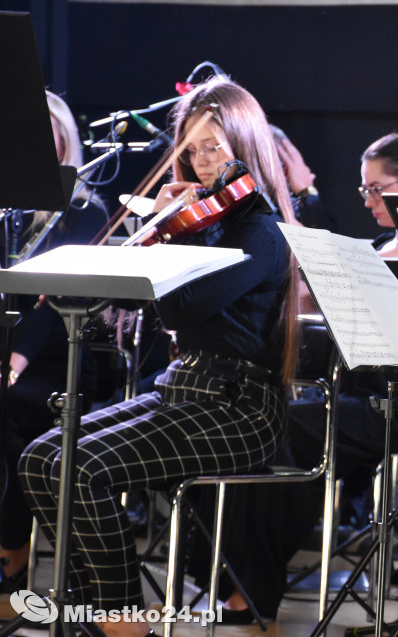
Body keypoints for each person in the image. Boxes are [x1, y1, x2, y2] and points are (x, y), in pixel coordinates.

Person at [19, 76, 299, 637]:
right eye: (191, 149)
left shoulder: (262, 232)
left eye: (213, 146)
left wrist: (169, 235)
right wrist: (160, 228)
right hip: (184, 387)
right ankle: (89, 608)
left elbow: (183, 308)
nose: (199, 162)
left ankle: (124, 621)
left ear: (244, 144)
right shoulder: (209, 223)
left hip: (240, 408)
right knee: (41, 459)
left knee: (85, 469)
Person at [0, 91, 109, 595]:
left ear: (66, 142)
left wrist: (15, 361)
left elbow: (52, 297)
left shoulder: (86, 210)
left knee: (10, 409)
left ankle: (10, 556)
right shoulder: (8, 210)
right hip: (9, 354)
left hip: (58, 359)